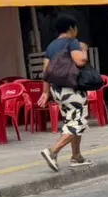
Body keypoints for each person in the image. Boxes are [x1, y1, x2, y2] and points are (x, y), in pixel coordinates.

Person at [38, 15, 93, 171]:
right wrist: (83, 49)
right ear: (71, 28)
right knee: (78, 122)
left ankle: (77, 156)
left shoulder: (51, 46)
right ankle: (52, 152)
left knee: (72, 120)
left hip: (58, 90)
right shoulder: (72, 42)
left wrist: (45, 92)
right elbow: (80, 61)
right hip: (72, 89)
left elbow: (46, 72)